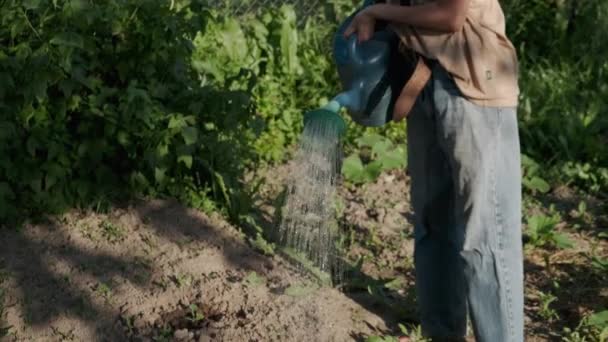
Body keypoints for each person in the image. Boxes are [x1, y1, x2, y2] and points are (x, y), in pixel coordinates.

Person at [345, 0, 524, 341]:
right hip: (425, 78)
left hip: (474, 86)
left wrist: (377, 13)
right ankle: (442, 334)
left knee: (487, 238)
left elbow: (450, 16)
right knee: (433, 225)